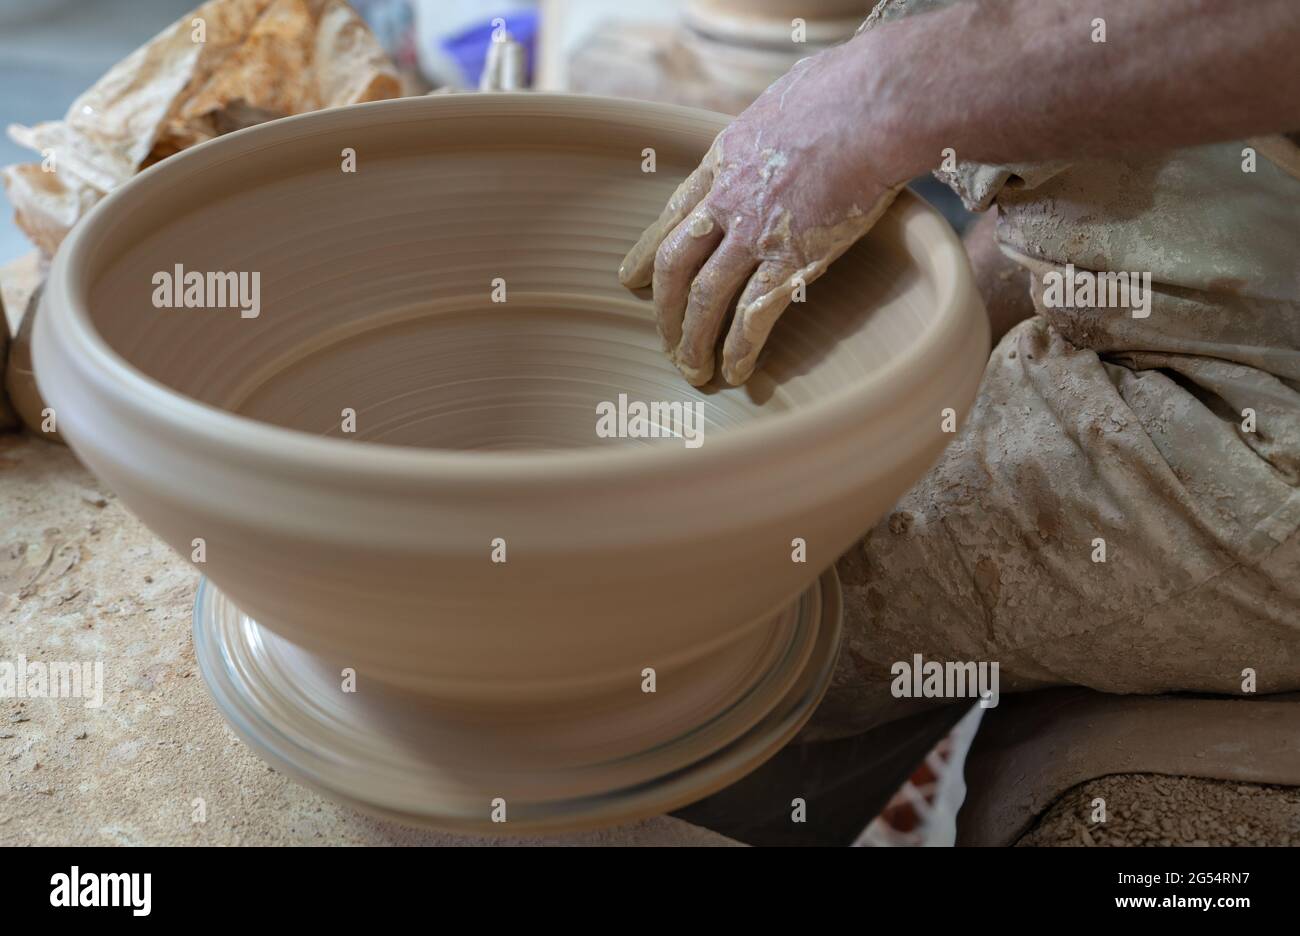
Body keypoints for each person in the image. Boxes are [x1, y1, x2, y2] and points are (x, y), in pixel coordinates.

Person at [620, 0, 1300, 737]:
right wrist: (953, 322)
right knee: (814, 385)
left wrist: (879, 95)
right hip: (1204, 277)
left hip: (1255, 415)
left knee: (703, 596)